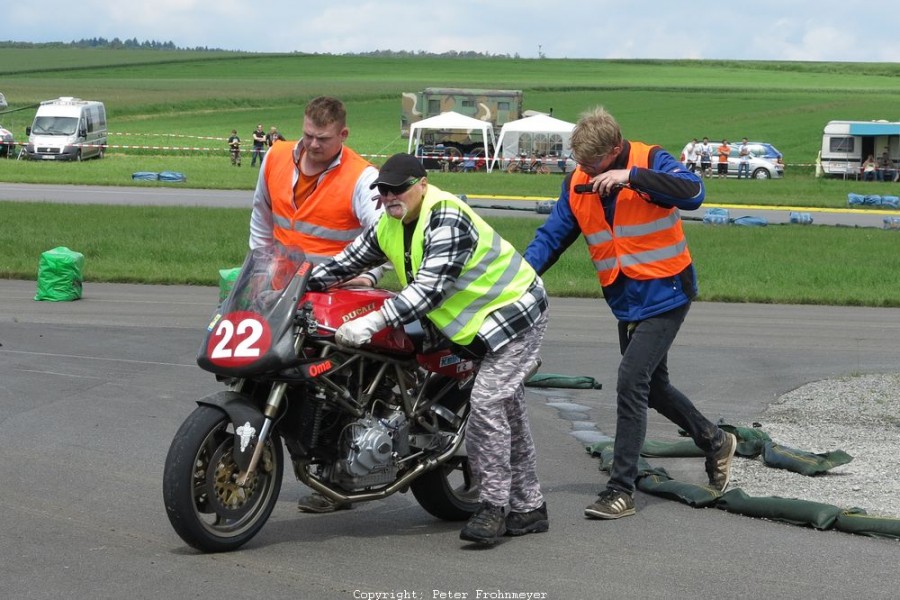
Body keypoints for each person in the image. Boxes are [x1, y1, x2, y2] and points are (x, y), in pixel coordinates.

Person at [308, 152, 550, 546]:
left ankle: (493, 508)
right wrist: (298, 286)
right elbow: (345, 262)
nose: (389, 197)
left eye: (398, 189)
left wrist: (372, 321)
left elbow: (427, 291)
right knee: (509, 410)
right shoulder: (390, 223)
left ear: (422, 184)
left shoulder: (446, 216)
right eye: (383, 191)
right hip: (469, 326)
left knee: (488, 403)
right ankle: (530, 507)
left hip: (514, 314)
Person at [523, 106, 736, 520]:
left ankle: (621, 489)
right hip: (626, 299)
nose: (585, 170)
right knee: (653, 389)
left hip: (668, 291)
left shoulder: (649, 160)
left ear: (616, 149)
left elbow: (693, 193)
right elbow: (551, 237)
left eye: (594, 163)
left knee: (631, 381)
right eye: (579, 163)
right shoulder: (578, 181)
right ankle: (714, 440)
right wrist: (517, 277)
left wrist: (631, 178)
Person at [248, 96, 385, 512]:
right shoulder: (273, 157)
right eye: (307, 134)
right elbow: (261, 216)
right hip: (284, 289)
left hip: (337, 298)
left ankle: (336, 474)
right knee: (267, 369)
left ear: (342, 135)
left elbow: (384, 231)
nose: (311, 144)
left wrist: (369, 276)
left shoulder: (363, 177)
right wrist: (257, 271)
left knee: (334, 386)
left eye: (322, 138)